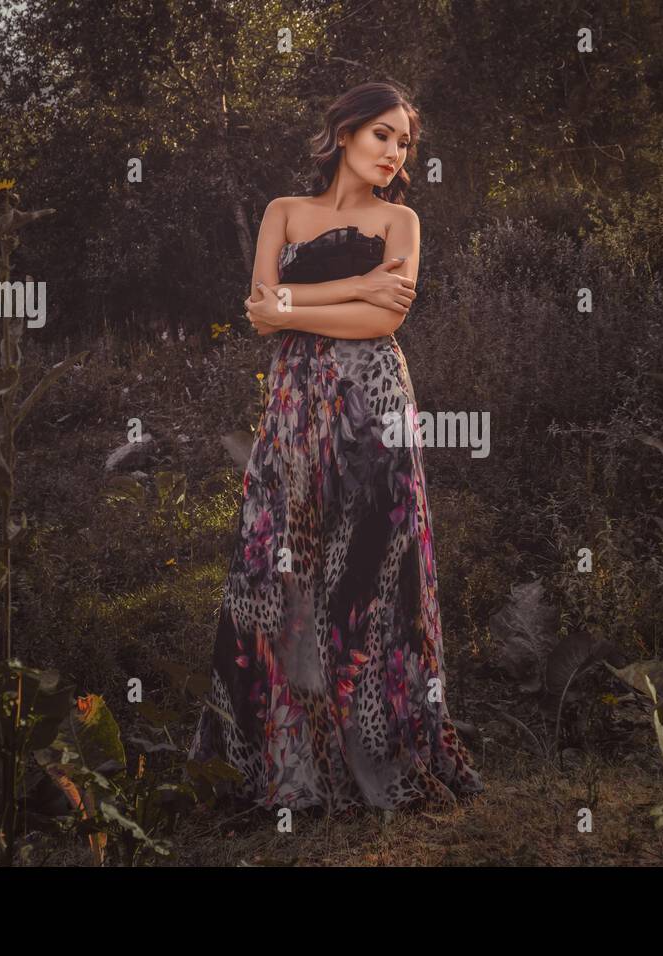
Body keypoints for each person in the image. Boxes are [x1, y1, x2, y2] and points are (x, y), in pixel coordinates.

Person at [188, 81, 485, 814]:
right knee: (276, 563)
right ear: (346, 131)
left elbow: (386, 320)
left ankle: (378, 750)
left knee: (372, 570)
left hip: (374, 405)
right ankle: (284, 761)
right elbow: (260, 313)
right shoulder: (284, 212)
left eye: (404, 142)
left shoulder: (401, 221)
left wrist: (300, 302)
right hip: (294, 406)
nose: (394, 153)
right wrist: (356, 287)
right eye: (382, 134)